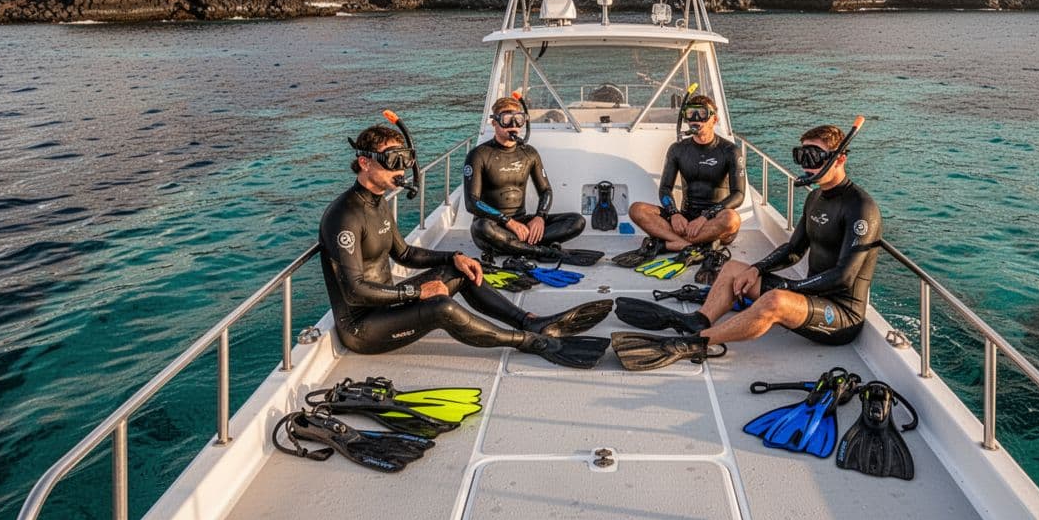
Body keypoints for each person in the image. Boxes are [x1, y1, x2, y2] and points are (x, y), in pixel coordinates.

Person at [318, 122, 612, 368]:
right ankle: (528, 341)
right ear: (365, 162)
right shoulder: (344, 216)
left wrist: (455, 256)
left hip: (389, 302)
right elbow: (355, 292)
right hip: (363, 327)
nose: (401, 170)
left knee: (460, 269)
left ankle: (528, 321)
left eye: (404, 160)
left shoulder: (378, 203)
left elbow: (405, 253)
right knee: (440, 306)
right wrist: (418, 291)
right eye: (391, 161)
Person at [610, 123, 881, 369]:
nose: (807, 166)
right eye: (802, 156)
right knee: (733, 269)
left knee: (775, 300)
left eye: (814, 158)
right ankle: (699, 319)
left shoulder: (861, 208)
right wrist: (756, 268)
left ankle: (698, 341)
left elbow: (844, 277)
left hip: (840, 314)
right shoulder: (816, 199)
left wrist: (789, 288)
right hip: (810, 295)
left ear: (840, 159)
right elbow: (794, 250)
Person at [623, 95, 745, 282]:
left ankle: (666, 244)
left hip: (714, 222)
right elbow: (665, 188)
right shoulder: (678, 149)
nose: (696, 119)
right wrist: (673, 213)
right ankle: (694, 246)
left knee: (732, 219)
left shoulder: (730, 151)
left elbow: (739, 195)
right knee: (637, 209)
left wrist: (706, 216)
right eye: (691, 114)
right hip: (685, 219)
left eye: (702, 114)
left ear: (714, 119)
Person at [464, 97, 592, 263]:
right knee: (481, 228)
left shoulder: (529, 153)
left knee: (576, 221)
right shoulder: (479, 155)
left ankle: (517, 247)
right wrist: (507, 221)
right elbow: (471, 202)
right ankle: (540, 251)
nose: (514, 126)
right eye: (506, 120)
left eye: (518, 119)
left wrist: (540, 217)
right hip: (494, 226)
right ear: (494, 123)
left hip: (522, 224)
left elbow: (545, 190)